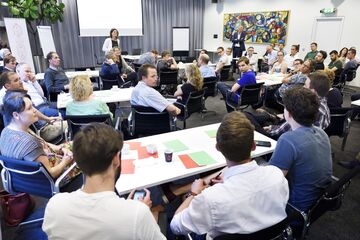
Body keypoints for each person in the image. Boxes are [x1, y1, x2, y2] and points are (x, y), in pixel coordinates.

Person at [170, 111, 289, 238]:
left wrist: (194, 195)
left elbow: (175, 227)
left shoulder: (210, 199)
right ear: (254, 146)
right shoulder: (276, 175)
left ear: (217, 148)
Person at [42, 123, 166, 240]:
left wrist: (128, 210)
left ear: (78, 162)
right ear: (116, 160)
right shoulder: (138, 214)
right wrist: (144, 213)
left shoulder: (54, 206)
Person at [269, 87, 332, 212]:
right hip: (318, 201)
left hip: (296, 207)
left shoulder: (288, 140)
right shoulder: (321, 133)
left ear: (289, 113)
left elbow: (272, 182)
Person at [0, 91, 78, 181]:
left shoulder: (6, 132)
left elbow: (43, 144)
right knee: (86, 153)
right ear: (16, 115)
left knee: (78, 144)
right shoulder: (30, 143)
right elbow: (52, 173)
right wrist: (65, 161)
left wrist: (61, 149)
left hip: (31, 177)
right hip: (57, 177)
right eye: (29, 108)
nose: (34, 110)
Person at [267, 71, 330, 139]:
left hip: (290, 139)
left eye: (305, 85)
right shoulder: (322, 105)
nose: (303, 87)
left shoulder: (311, 108)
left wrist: (270, 129)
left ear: (313, 91)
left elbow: (290, 129)